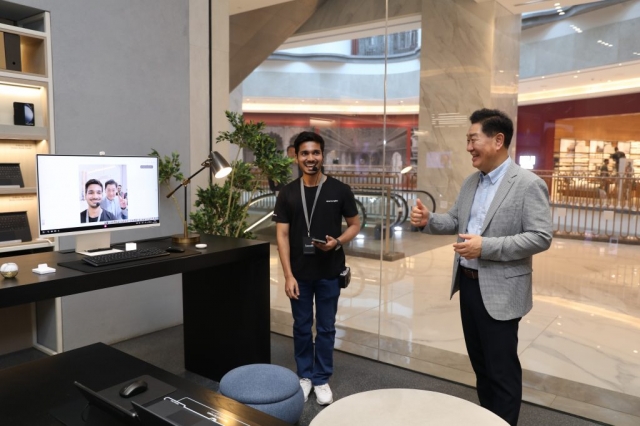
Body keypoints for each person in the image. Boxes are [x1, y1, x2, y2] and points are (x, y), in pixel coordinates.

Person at [410, 108, 552, 426]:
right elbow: (455, 221)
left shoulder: (528, 184)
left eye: (473, 139)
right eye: (467, 139)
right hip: (468, 285)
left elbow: (541, 237)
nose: (468, 146)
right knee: (482, 368)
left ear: (498, 140)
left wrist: (485, 247)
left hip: (501, 291)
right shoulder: (471, 182)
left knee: (501, 372)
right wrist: (428, 220)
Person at [272, 131, 360, 406]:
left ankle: (321, 378)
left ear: (323, 155)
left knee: (325, 327)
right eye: (305, 153)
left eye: (316, 153)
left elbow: (355, 224)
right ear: (296, 156)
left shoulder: (339, 190)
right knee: (300, 326)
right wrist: (287, 275)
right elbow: (282, 236)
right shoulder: (287, 193)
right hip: (298, 274)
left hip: (329, 272)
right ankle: (305, 376)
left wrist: (337, 242)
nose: (311, 158)